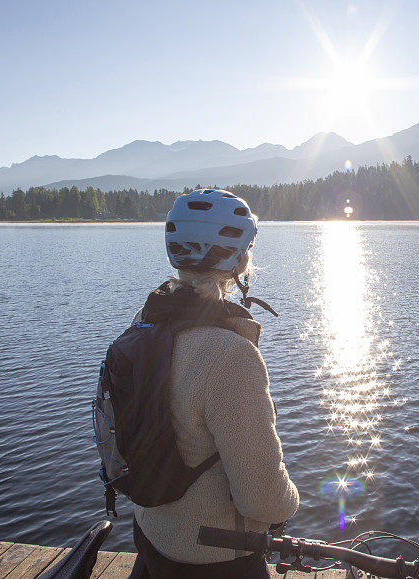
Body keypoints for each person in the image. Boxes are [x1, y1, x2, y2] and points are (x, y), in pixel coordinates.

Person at [129, 188, 299, 578]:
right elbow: (263, 499)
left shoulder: (146, 320)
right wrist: (291, 502)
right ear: (239, 259)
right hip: (215, 558)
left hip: (152, 537)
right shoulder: (230, 356)